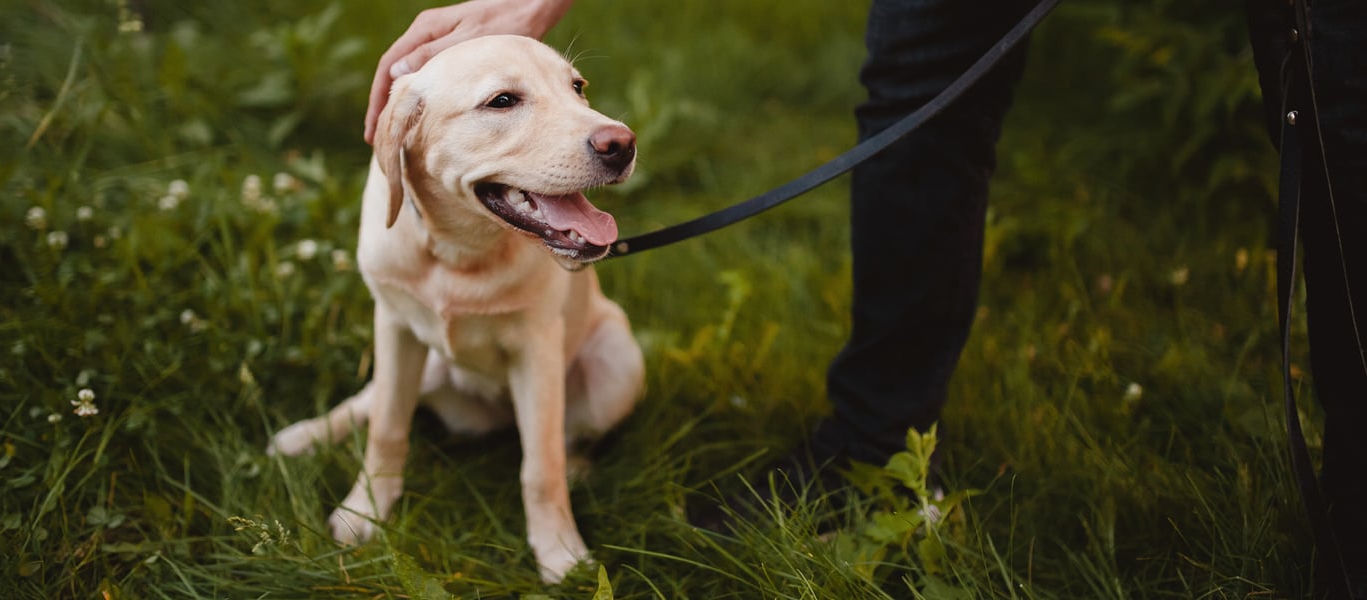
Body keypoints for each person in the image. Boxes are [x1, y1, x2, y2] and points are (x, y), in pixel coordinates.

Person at [364, 0, 1365, 595]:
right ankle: (873, 448)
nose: (600, 124)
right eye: (506, 103)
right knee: (919, 83)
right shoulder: (394, 209)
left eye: (576, 88)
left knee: (1336, 96)